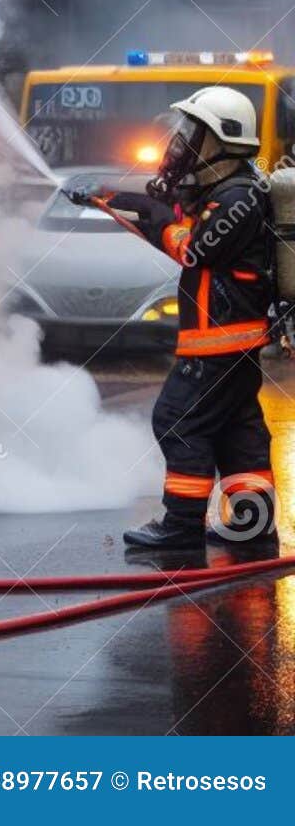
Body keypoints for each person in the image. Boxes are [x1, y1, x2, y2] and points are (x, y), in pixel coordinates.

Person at [68, 86, 276, 551]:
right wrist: (105, 197)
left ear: (220, 140)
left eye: (193, 132)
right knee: (235, 429)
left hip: (217, 344)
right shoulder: (226, 190)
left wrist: (161, 218)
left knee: (178, 419)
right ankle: (253, 521)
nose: (181, 141)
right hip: (229, 345)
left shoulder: (239, 196)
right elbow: (167, 218)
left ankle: (181, 527)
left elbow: (194, 246)